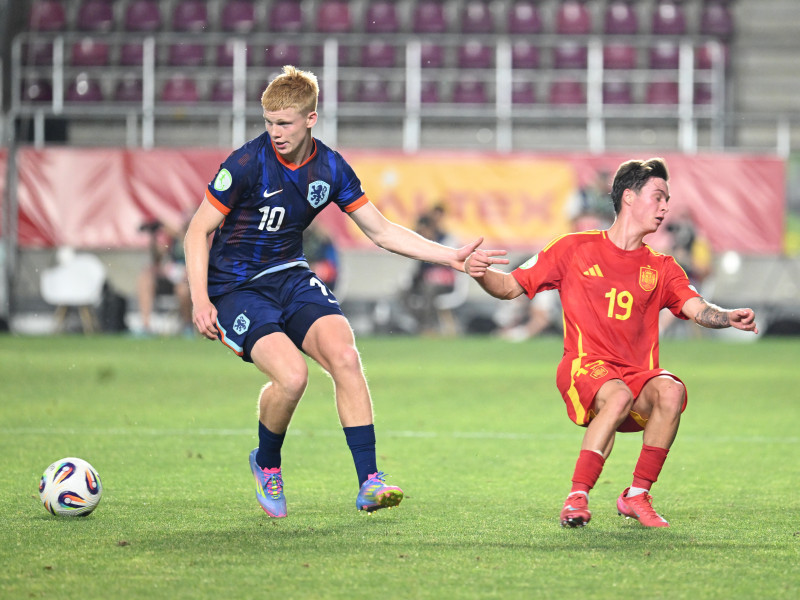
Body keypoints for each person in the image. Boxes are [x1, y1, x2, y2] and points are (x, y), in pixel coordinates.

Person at [183, 66, 507, 518]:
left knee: (346, 356)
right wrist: (200, 299)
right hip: (236, 287)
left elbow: (382, 230)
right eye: (269, 122)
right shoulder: (244, 163)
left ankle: (370, 481)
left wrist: (450, 256)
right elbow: (197, 231)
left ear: (311, 119)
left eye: (286, 123)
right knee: (293, 377)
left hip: (291, 274)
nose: (275, 132)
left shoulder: (331, 166)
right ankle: (267, 462)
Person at [465, 157, 758, 528]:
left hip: (635, 375)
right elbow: (509, 287)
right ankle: (577, 496)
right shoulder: (574, 248)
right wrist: (480, 274)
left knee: (671, 391)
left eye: (667, 199)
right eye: (658, 196)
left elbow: (697, 308)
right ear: (630, 198)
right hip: (584, 365)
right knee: (616, 394)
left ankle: (636, 495)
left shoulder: (663, 267)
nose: (665, 206)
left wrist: (727, 316)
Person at [136, 219, 192, 336]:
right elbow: (157, 261)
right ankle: (145, 326)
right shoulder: (171, 241)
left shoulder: (196, 241)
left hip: (184, 281)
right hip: (167, 279)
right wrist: (154, 238)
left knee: (182, 290)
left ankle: (188, 326)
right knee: (145, 278)